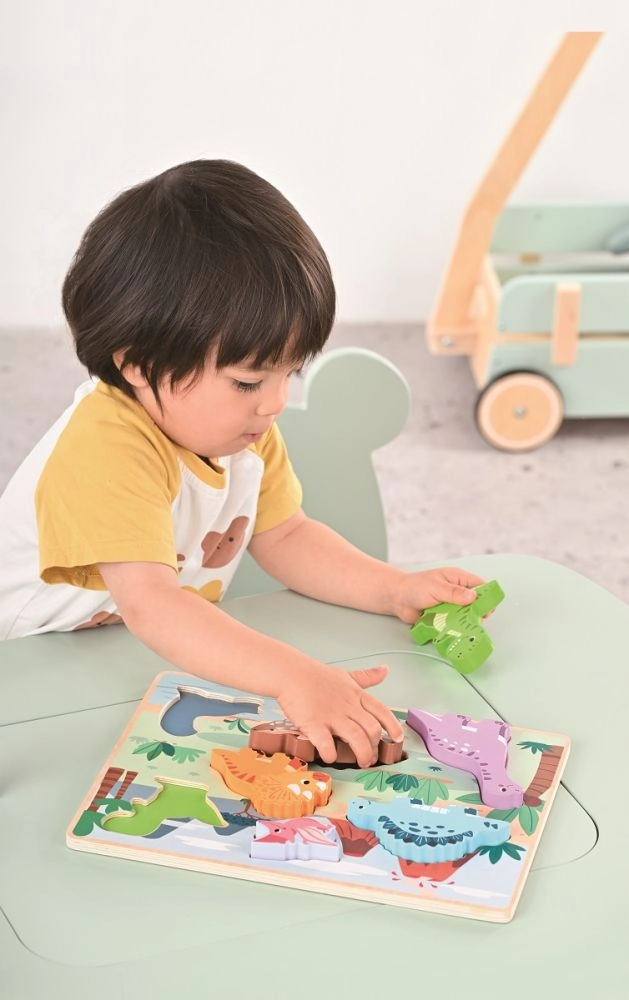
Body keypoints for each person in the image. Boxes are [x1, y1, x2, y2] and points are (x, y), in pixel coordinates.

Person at [0, 159, 483, 767]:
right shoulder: (103, 449)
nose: (276, 402)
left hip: (130, 660)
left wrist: (395, 588)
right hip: (30, 673)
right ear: (138, 364)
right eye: (249, 380)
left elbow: (287, 536)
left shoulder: (242, 432)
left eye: (290, 372)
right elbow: (152, 605)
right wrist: (293, 675)